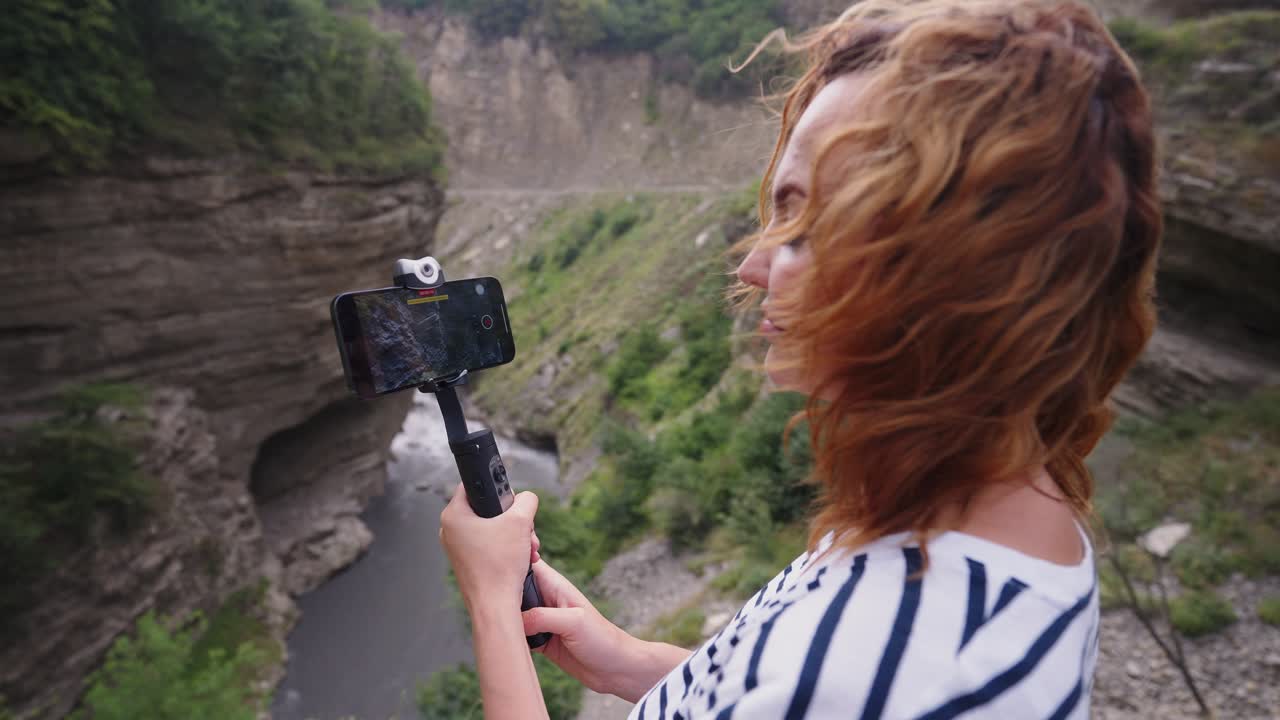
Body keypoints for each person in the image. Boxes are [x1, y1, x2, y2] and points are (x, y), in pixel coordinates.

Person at [439, 0, 1160, 717]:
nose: (752, 265)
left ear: (950, 274)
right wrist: (630, 663)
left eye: (807, 224)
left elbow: (836, 688)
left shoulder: (885, 665)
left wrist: (492, 602)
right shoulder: (1005, 521)